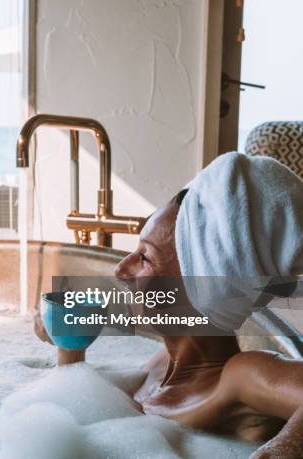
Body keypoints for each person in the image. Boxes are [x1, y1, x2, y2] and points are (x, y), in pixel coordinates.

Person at [34, 152, 303, 458]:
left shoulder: (240, 376)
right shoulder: (160, 364)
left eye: (145, 257)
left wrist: (284, 449)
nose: (121, 270)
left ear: (203, 289)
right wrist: (69, 345)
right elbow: (83, 428)